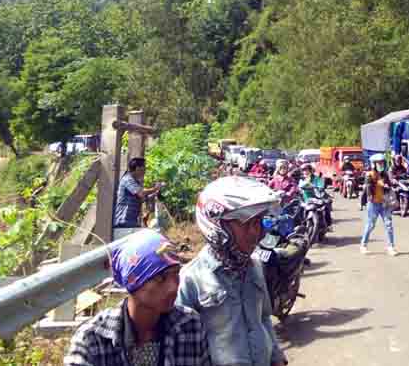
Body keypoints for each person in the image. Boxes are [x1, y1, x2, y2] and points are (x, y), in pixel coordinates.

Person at [177, 176, 287, 366]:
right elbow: (182, 347)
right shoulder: (190, 279)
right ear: (218, 226)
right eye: (248, 224)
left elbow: (263, 319)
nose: (258, 232)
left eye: (260, 221)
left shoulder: (255, 267)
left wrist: (277, 357)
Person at [64, 229, 209, 366]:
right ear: (133, 282)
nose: (173, 286)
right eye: (161, 278)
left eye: (176, 274)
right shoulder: (92, 338)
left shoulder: (189, 325)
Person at [360, 153, 398, 256]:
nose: (381, 164)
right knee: (370, 225)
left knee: (388, 225)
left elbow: (390, 184)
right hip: (373, 204)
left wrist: (390, 184)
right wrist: (371, 193)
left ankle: (391, 247)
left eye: (382, 162)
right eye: (378, 163)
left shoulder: (386, 174)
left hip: (385, 203)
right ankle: (363, 245)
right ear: (373, 164)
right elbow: (368, 187)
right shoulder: (370, 175)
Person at [114, 157, 162, 229]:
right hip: (123, 221)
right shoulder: (127, 179)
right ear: (137, 168)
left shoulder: (135, 182)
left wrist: (155, 193)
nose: (145, 171)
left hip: (131, 222)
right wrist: (154, 188)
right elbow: (140, 193)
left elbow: (142, 198)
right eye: (144, 168)